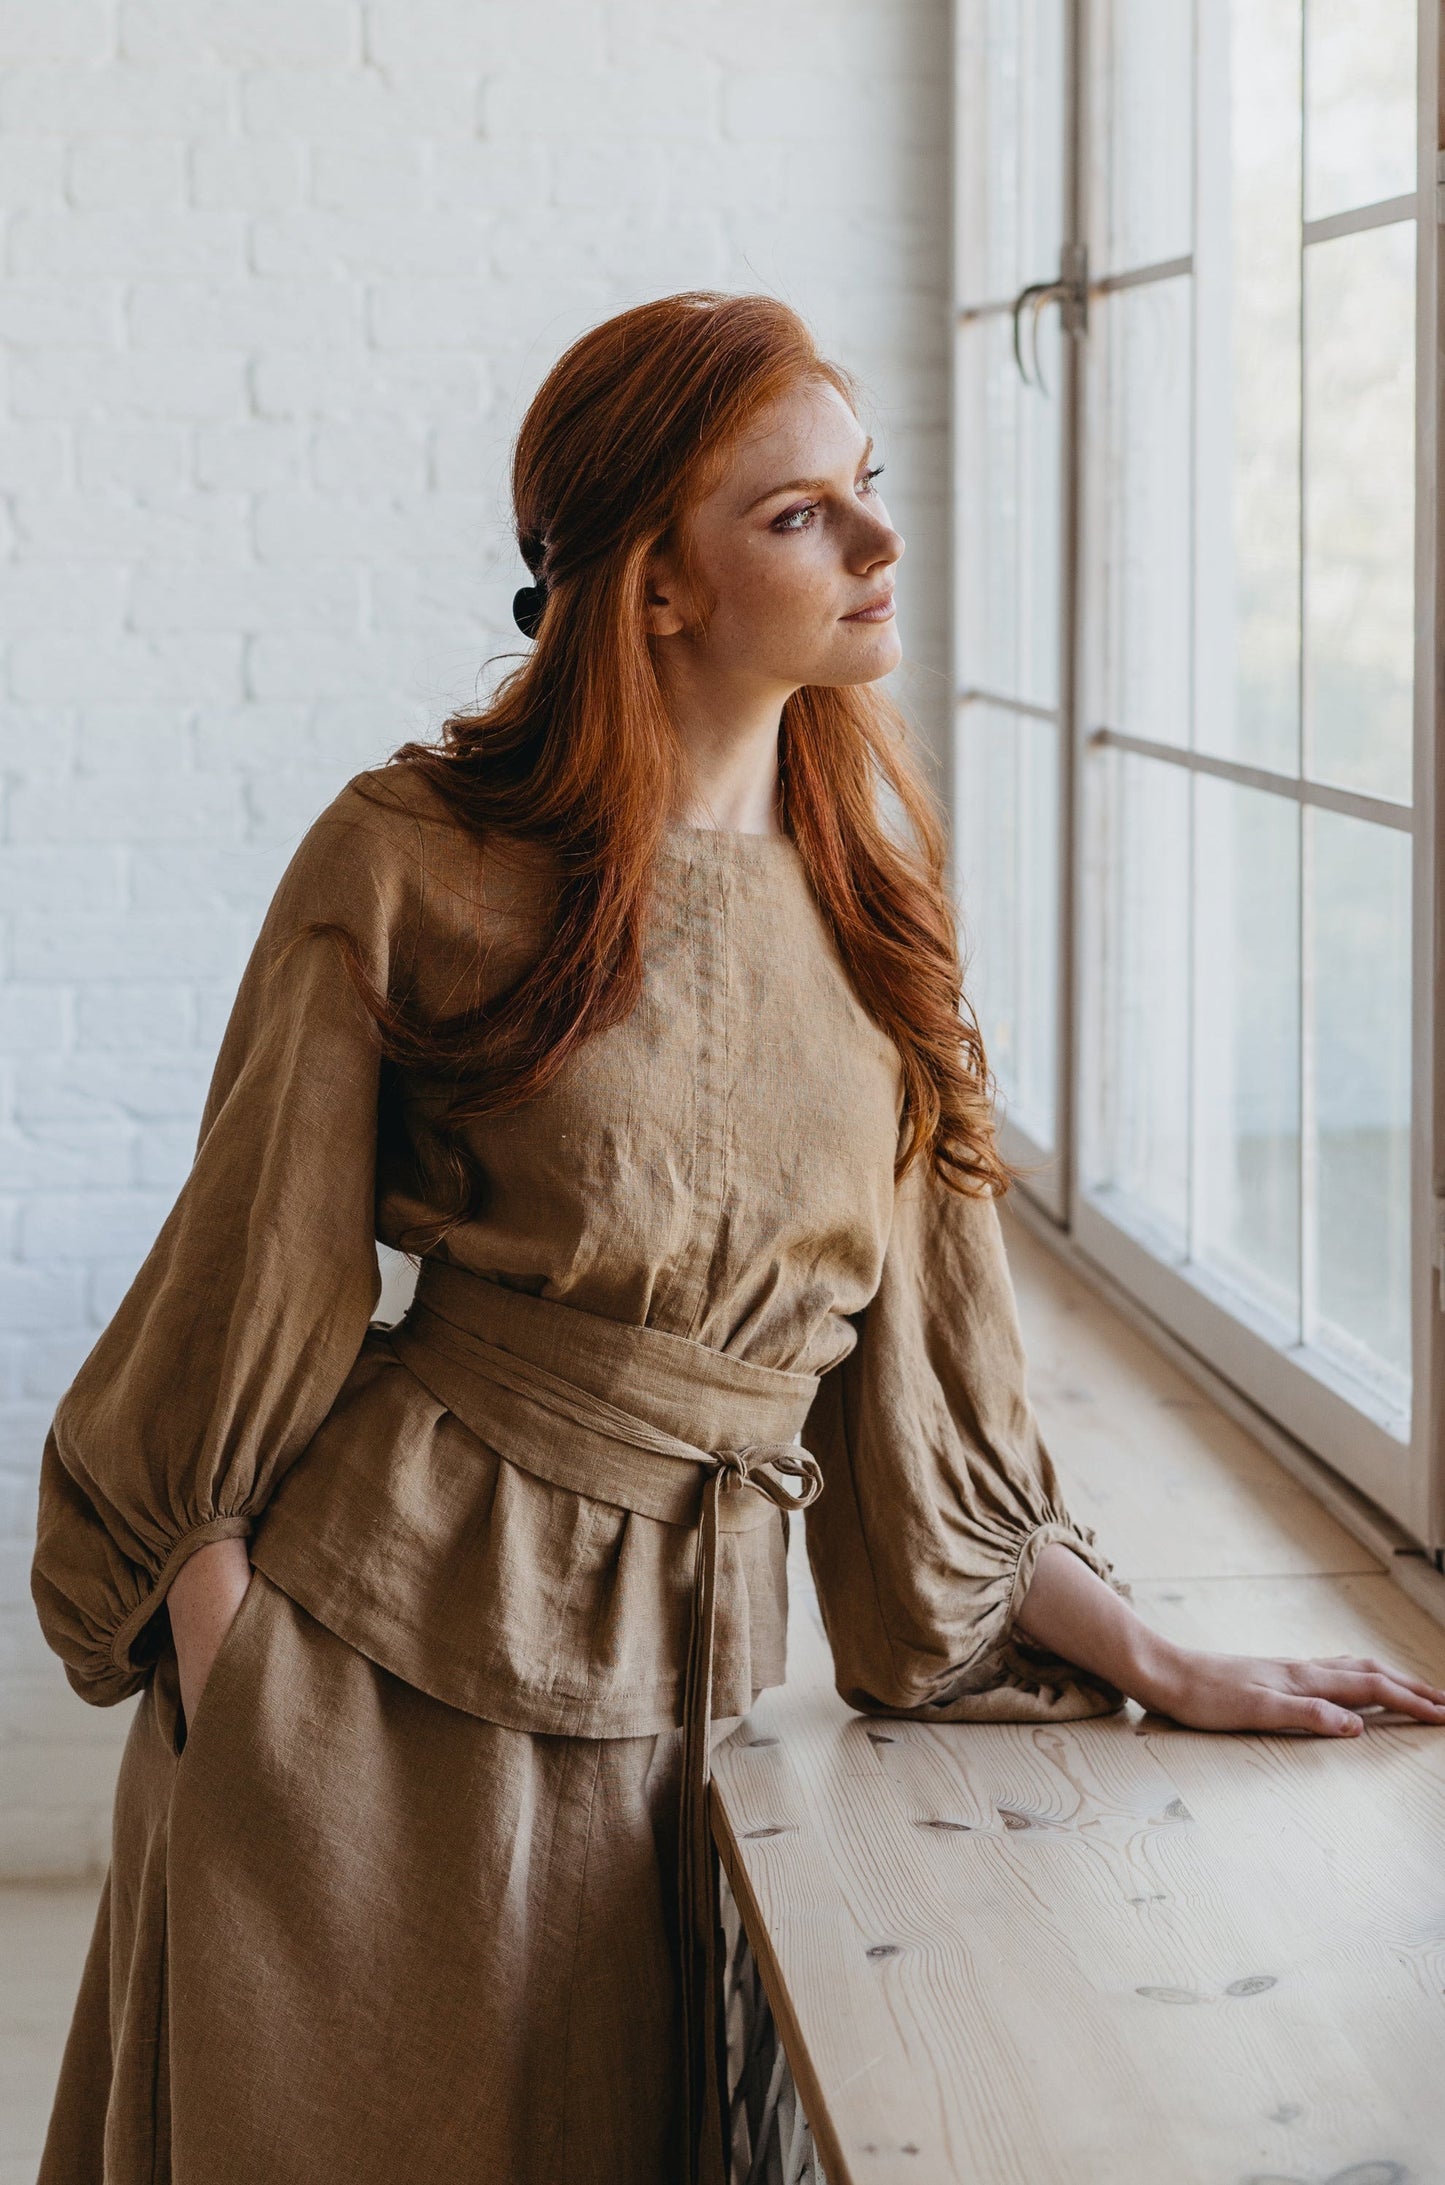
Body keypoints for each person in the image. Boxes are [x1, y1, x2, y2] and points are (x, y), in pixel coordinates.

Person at [30, 291, 1445, 2185]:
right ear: (653, 587)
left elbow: (928, 1389)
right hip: (355, 1703)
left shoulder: (878, 901)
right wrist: (234, 1652)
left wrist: (1162, 1657)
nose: (874, 543)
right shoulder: (410, 856)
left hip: (679, 1724)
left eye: (865, 492)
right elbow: (236, 1283)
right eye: (798, 515)